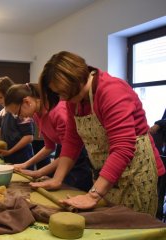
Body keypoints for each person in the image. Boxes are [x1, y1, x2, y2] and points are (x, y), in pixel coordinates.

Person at [38, 51, 165, 216]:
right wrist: (57, 179)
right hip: (107, 175)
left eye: (62, 92)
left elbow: (123, 147)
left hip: (137, 174)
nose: (61, 99)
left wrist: (93, 195)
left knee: (135, 228)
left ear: (74, 81)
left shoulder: (111, 91)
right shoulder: (74, 101)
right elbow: (71, 141)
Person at [5, 83, 93, 192]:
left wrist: (39, 172)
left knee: (71, 193)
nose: (19, 117)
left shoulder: (58, 112)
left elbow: (71, 151)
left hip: (79, 157)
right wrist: (25, 164)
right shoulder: (37, 115)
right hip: (64, 155)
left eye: (17, 113)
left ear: (27, 102)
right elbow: (49, 146)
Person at [0, 76, 34, 165]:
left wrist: (11, 151)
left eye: (0, 97)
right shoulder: (2, 113)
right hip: (7, 158)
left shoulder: (21, 112)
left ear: (10, 94)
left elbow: (28, 137)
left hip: (22, 158)